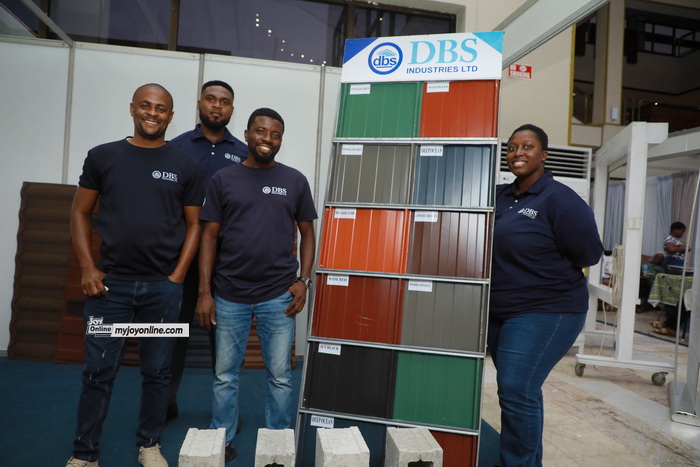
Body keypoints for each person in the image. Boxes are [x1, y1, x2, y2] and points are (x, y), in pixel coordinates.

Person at [65, 83, 203, 467]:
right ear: (132, 108)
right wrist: (87, 267)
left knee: (158, 372)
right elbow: (79, 212)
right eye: (146, 105)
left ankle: (150, 446)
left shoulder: (185, 165)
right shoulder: (103, 156)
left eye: (160, 108)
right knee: (97, 372)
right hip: (110, 289)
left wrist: (178, 276)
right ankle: (85, 454)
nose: (152, 113)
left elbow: (195, 224)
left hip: (163, 290)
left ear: (170, 116)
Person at [196, 108, 317, 461]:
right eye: (261, 131)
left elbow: (308, 232)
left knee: (280, 376)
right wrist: (204, 291)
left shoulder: (294, 180)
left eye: (275, 134)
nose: (268, 139)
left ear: (280, 140)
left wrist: (304, 280)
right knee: (224, 375)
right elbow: (208, 237)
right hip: (229, 294)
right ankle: (222, 438)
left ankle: (277, 444)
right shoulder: (223, 179)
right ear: (247, 134)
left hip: (278, 294)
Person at [488, 124, 603, 467]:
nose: (518, 153)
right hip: (502, 310)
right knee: (520, 391)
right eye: (512, 147)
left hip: (548, 309)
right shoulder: (500, 196)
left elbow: (588, 254)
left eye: (528, 147)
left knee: (515, 387)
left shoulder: (561, 199)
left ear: (544, 155)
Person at [166, 80, 248, 421]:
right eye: (211, 99)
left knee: (225, 342)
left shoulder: (244, 153)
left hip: (227, 262)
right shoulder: (176, 147)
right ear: (199, 103)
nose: (217, 105)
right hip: (179, 258)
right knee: (173, 335)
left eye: (224, 101)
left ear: (232, 109)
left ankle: (226, 412)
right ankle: (164, 403)